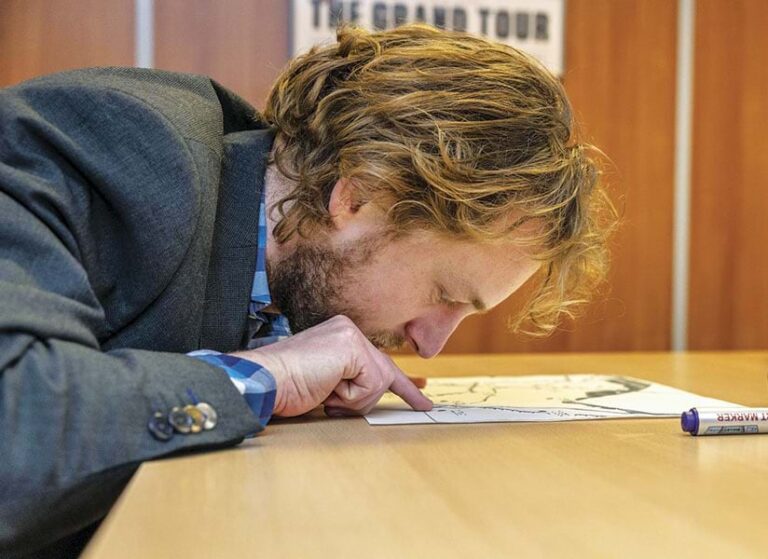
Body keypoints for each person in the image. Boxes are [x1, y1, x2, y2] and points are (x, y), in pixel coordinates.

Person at [0, 23, 613, 557]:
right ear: (359, 196)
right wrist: (269, 378)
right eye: (446, 293)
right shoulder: (105, 147)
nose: (430, 346)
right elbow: (15, 420)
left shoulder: (275, 250)